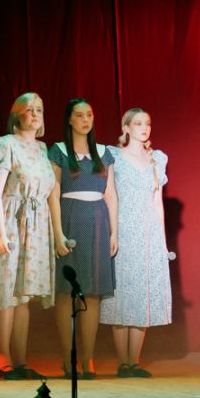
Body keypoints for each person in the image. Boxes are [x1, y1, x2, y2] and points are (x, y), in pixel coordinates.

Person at [0, 92, 56, 380]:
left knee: (23, 297)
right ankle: (3, 361)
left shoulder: (42, 149)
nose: (35, 114)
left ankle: (21, 361)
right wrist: (0, 234)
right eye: (29, 109)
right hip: (11, 222)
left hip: (36, 226)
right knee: (6, 294)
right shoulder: (6, 144)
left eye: (39, 109)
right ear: (17, 115)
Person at [101, 108, 172, 377]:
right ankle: (123, 361)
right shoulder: (114, 156)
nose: (144, 128)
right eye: (138, 123)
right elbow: (109, 195)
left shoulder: (157, 158)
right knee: (122, 293)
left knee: (142, 293)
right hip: (123, 227)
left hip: (149, 231)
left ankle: (134, 362)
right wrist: (112, 232)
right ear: (126, 128)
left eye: (148, 123)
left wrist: (162, 240)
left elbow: (157, 201)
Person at [49, 98, 117, 379]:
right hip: (70, 218)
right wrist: (58, 233)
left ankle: (88, 359)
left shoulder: (104, 152)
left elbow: (110, 193)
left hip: (98, 222)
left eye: (89, 114)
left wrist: (115, 231)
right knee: (67, 292)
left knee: (92, 291)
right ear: (69, 119)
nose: (85, 120)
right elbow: (53, 192)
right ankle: (68, 359)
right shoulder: (59, 151)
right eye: (79, 115)